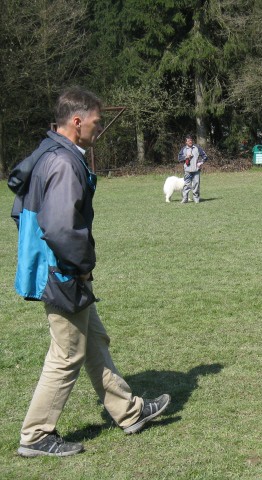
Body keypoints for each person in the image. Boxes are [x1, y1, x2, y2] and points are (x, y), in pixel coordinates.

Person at [8, 87, 170, 457]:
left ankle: (128, 412)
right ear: (77, 121)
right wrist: (80, 268)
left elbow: (21, 211)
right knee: (67, 352)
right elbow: (60, 227)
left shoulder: (47, 152)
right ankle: (35, 435)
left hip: (54, 267)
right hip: (62, 272)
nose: (99, 130)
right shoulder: (64, 163)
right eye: (96, 123)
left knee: (93, 339)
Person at [177, 134, 208, 203]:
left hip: (196, 170)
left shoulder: (197, 148)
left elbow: (205, 156)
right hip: (187, 171)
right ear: (186, 142)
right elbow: (179, 158)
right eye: (188, 141)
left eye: (191, 140)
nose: (190, 142)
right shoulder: (184, 149)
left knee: (196, 185)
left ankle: (196, 199)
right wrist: (186, 157)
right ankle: (185, 199)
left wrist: (201, 162)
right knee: (186, 185)